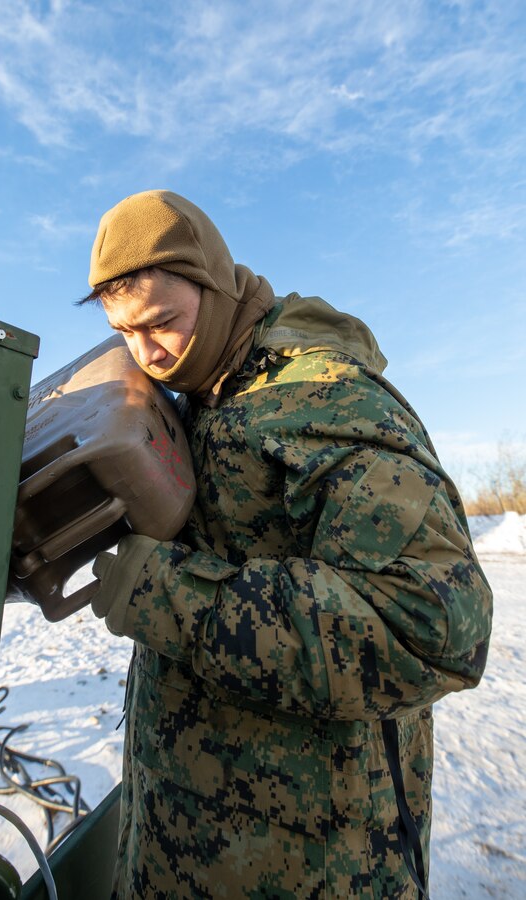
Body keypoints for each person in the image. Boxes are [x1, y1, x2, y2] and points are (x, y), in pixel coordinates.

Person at [81, 190, 492, 899]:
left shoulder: (322, 400)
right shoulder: (198, 393)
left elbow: (432, 626)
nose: (147, 354)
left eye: (163, 324)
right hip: (185, 849)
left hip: (309, 868)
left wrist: (167, 594)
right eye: (126, 332)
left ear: (213, 283)